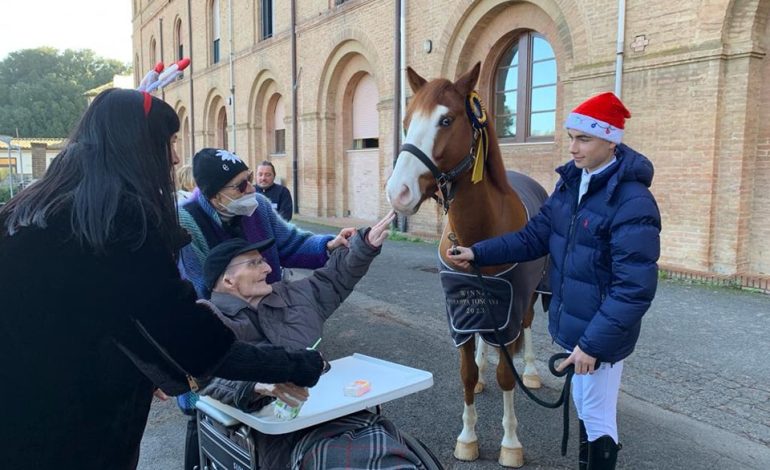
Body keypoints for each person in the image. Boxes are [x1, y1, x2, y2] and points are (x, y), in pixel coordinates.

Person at [0, 88, 324, 470]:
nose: (173, 158)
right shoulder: (119, 217)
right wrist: (296, 365)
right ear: (137, 143)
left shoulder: (32, 206)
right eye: (168, 142)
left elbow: (107, 316)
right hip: (74, 435)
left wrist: (153, 367)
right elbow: (187, 336)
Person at [447, 92, 661, 470]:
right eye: (571, 137)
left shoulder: (632, 202)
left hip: (600, 337)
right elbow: (532, 238)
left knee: (596, 415)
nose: (573, 147)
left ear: (611, 141)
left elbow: (635, 288)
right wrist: (478, 252)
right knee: (586, 406)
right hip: (580, 329)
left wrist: (593, 345)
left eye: (584, 138)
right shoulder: (571, 185)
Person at [197, 212, 426, 469]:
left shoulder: (289, 295)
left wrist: (364, 246)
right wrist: (256, 384)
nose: (268, 268)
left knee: (388, 450)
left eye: (263, 261)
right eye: (254, 263)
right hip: (271, 435)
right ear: (227, 280)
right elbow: (205, 377)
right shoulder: (207, 318)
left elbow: (333, 279)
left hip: (328, 413)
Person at [176, 147, 355, 468]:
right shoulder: (187, 222)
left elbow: (291, 244)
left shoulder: (258, 207)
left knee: (275, 421)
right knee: (208, 419)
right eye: (241, 185)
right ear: (215, 195)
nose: (252, 190)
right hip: (219, 343)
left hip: (266, 331)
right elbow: (203, 301)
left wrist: (329, 243)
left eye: (251, 181)